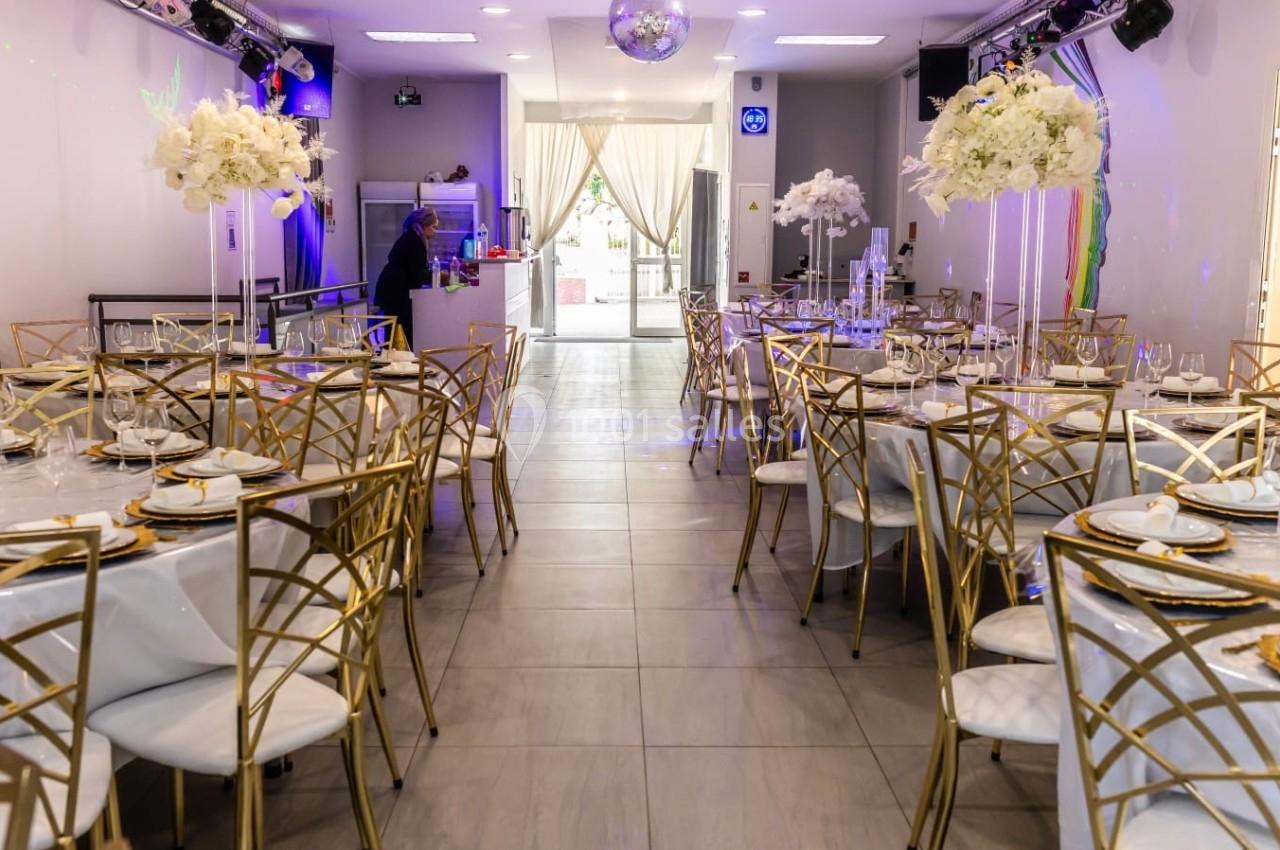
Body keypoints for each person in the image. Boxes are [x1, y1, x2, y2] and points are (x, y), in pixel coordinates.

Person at [374, 207, 437, 349]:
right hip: (396, 292)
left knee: (394, 329)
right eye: (433, 227)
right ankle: (397, 363)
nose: (434, 231)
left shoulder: (410, 236)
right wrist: (436, 275)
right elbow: (417, 274)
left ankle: (393, 360)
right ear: (424, 225)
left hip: (391, 288)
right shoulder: (415, 242)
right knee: (399, 331)